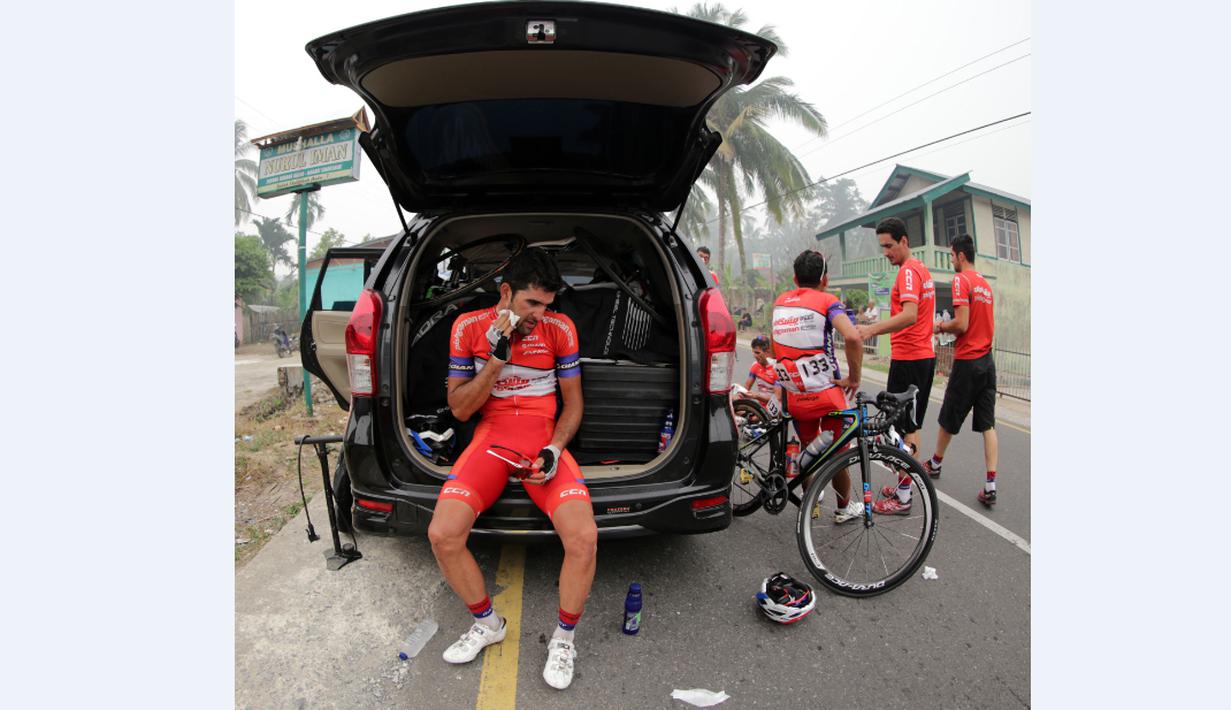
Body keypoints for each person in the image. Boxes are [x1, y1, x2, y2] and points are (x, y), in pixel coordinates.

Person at [431, 248, 595, 690]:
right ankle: (487, 624)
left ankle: (563, 638)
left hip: (543, 439)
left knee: (583, 538)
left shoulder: (560, 328)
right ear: (506, 292)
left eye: (547, 304)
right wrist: (497, 359)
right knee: (443, 535)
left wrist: (556, 449)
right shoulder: (467, 328)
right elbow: (461, 410)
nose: (541, 315)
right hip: (492, 438)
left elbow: (574, 404)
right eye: (532, 304)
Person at [770, 250, 864, 524]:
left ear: (795, 278)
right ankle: (844, 509)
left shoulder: (780, 302)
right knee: (837, 454)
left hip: (795, 395)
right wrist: (854, 378)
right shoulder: (828, 300)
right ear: (825, 278)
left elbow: (778, 347)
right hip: (827, 394)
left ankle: (810, 504)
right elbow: (853, 338)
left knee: (808, 449)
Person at [855, 217, 936, 515]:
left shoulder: (908, 273)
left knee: (903, 429)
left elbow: (911, 315)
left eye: (889, 246)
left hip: (911, 358)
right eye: (882, 247)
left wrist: (871, 330)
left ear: (904, 241)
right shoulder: (921, 269)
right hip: (919, 356)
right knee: (910, 426)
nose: (885, 252)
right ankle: (904, 485)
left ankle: (903, 497)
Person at [921, 234, 1000, 506]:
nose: (952, 260)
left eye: (952, 256)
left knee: (949, 417)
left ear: (961, 256)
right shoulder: (985, 285)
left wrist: (938, 326)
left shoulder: (960, 280)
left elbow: (962, 324)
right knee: (988, 424)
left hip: (968, 360)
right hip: (988, 362)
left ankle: (935, 463)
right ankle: (991, 484)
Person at [742, 335, 778, 405]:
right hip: (760, 409)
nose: (755, 356)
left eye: (757, 353)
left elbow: (777, 399)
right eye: (754, 352)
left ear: (767, 352)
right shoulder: (755, 365)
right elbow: (746, 388)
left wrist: (756, 396)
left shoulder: (776, 368)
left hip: (775, 410)